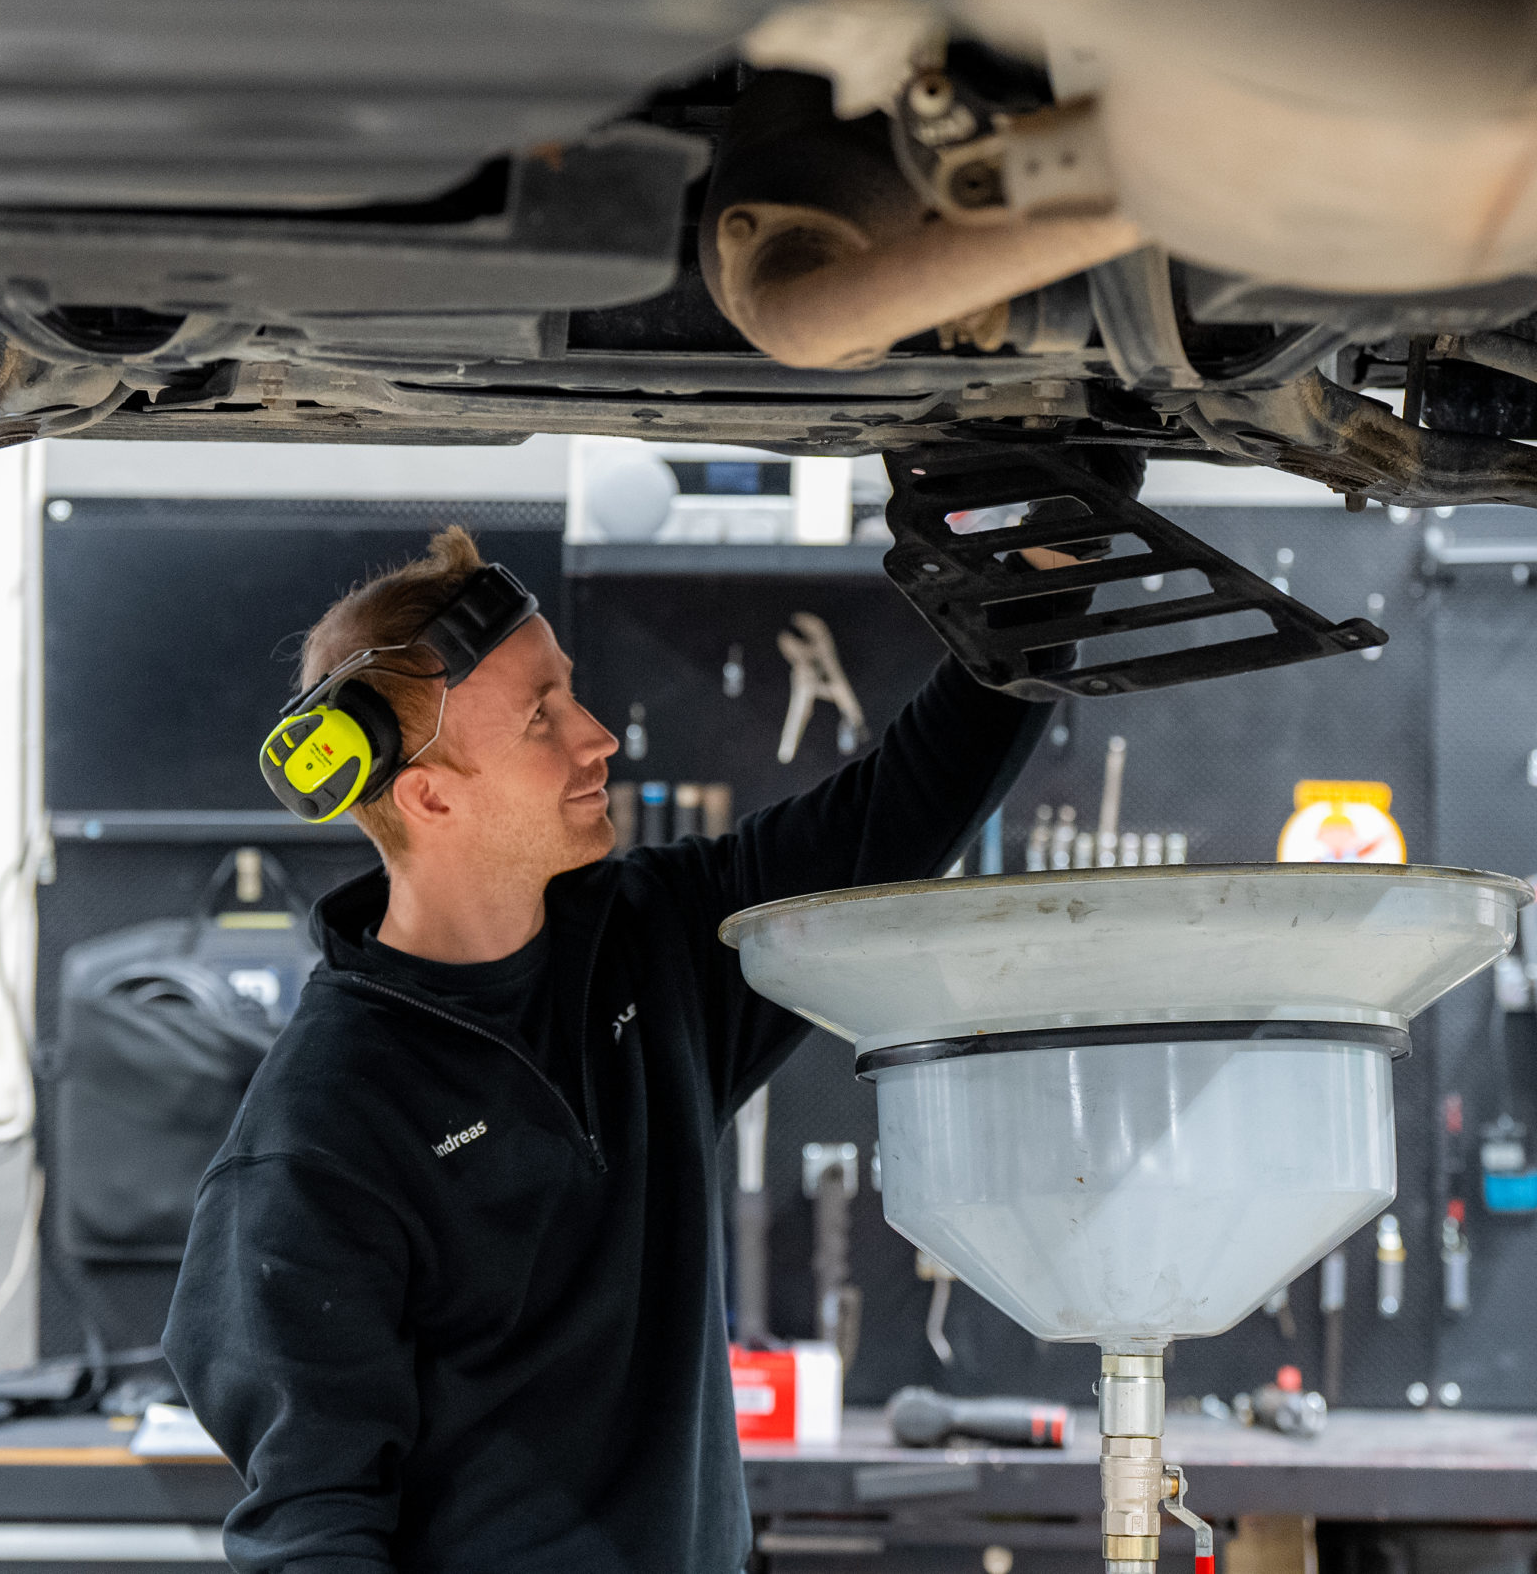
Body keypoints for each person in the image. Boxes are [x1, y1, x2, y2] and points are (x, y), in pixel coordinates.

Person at [164, 522, 1068, 1574]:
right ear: (429, 794)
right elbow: (314, 1532)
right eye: (539, 717)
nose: (597, 737)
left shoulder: (654, 945)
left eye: (571, 693)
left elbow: (901, 810)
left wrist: (1051, 561)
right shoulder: (320, 1133)